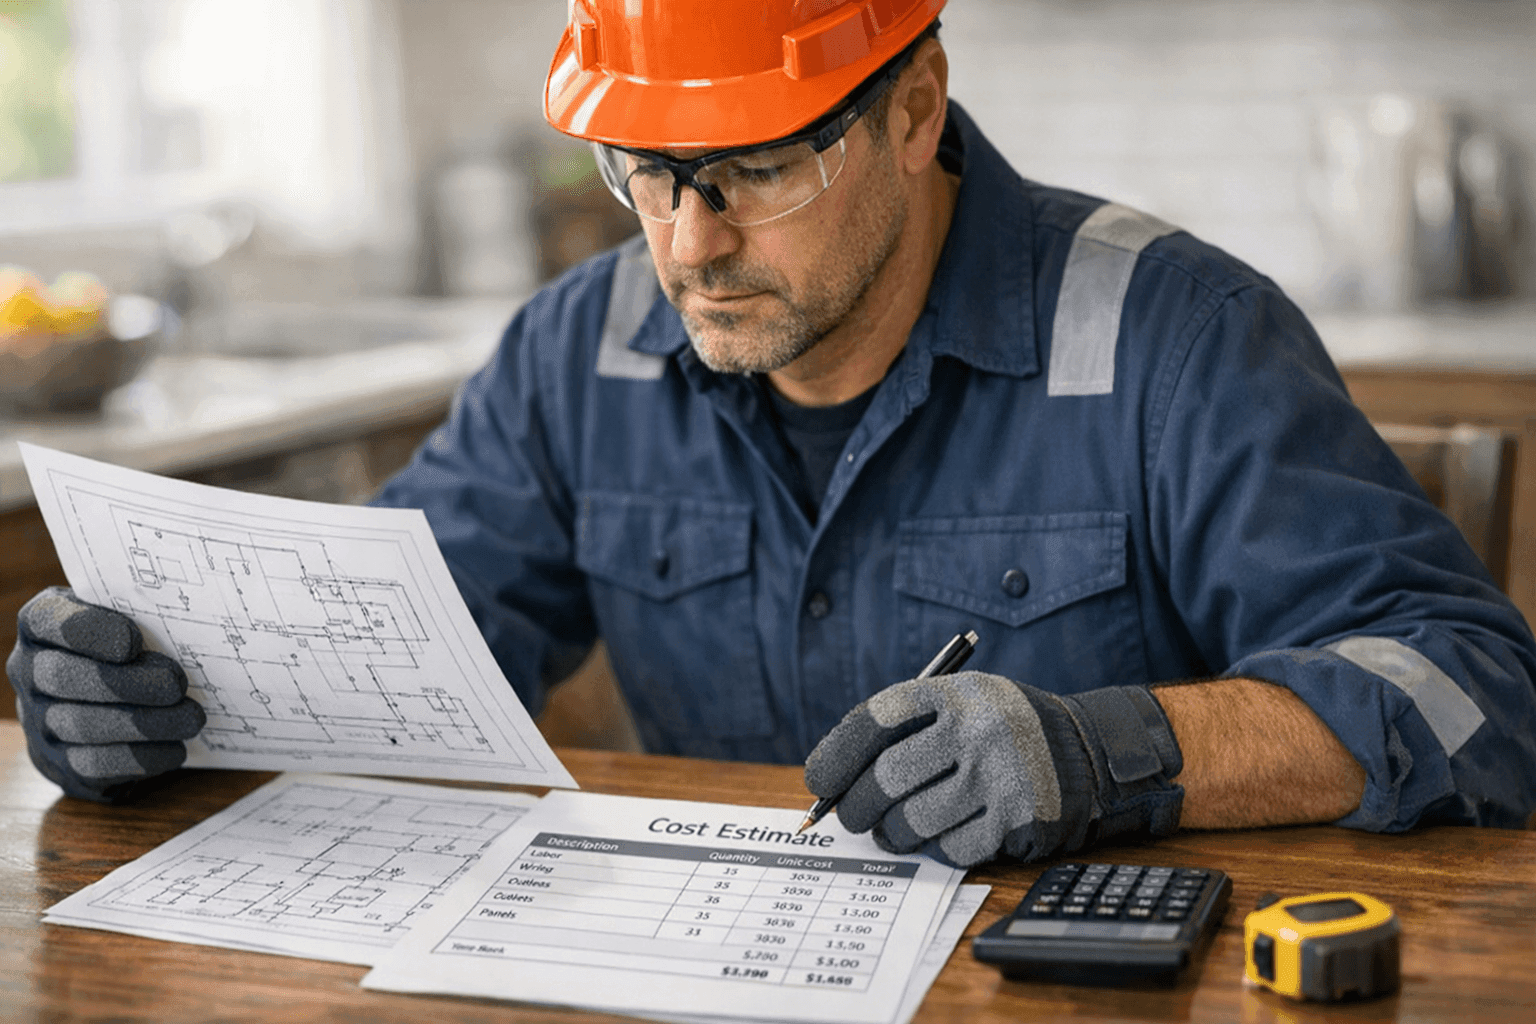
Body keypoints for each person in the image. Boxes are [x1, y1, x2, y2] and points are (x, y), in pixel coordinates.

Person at [10, 0, 1536, 868]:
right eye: (644, 173)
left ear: (917, 104)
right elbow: (376, 667)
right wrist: (158, 706)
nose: (686, 245)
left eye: (750, 170)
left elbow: (1473, 694)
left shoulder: (1169, 334)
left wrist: (1107, 749)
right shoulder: (577, 350)